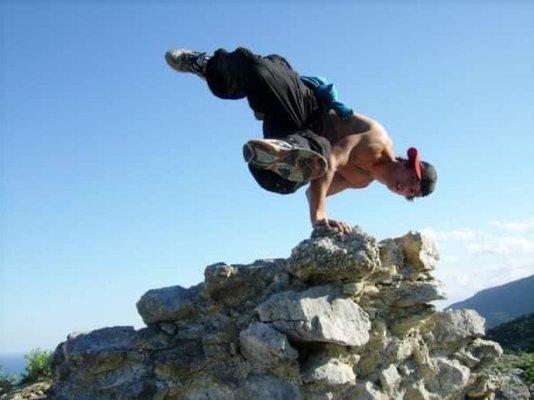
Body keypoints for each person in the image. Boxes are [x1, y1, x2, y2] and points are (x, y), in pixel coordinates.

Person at [165, 47, 437, 234]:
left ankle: (279, 155)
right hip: (307, 109)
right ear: (404, 162)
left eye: (410, 192)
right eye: (411, 180)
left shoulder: (360, 181)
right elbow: (333, 159)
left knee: (282, 181)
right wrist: (318, 216)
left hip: (294, 136)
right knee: (262, 72)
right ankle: (206, 65)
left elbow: (315, 189)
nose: (405, 187)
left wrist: (327, 217)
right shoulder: (377, 141)